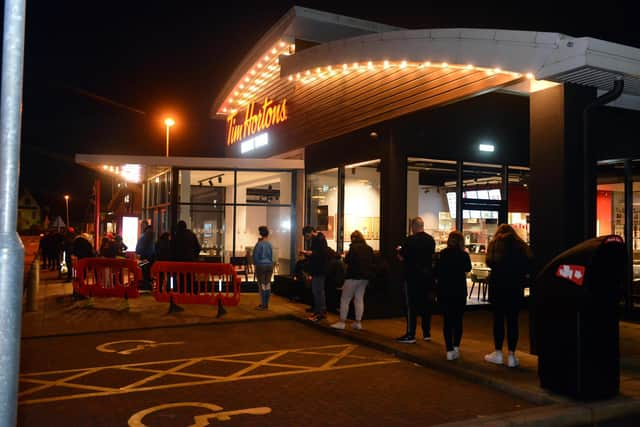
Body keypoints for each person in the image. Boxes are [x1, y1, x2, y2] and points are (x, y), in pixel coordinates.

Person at [483, 224, 532, 368]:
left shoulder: (495, 244)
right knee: (513, 321)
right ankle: (512, 355)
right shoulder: (521, 245)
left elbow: (490, 262)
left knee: (498, 320)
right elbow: (528, 264)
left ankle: (498, 353)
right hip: (515, 287)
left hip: (498, 286)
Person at [395, 217, 436, 344]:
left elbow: (402, 257)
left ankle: (411, 334)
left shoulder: (410, 240)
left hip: (412, 277)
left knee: (411, 306)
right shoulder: (431, 240)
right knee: (426, 305)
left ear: (413, 226)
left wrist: (398, 251)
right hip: (427, 277)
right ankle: (426, 333)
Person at [435, 230, 471, 360]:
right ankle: (456, 346)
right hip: (459, 291)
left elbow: (436, 271)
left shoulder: (442, 254)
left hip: (445, 290)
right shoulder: (463, 255)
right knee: (458, 320)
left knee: (447, 321)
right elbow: (468, 269)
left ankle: (449, 349)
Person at [331, 230, 374, 331]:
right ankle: (358, 322)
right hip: (365, 278)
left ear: (353, 238)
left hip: (352, 276)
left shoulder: (353, 247)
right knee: (359, 299)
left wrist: (345, 256)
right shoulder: (369, 248)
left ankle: (342, 322)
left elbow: (347, 260)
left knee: (345, 299)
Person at [300, 225, 329, 322]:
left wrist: (309, 253)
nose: (307, 238)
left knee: (318, 292)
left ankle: (319, 313)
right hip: (319, 269)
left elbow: (321, 254)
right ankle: (320, 312)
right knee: (318, 291)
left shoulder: (319, 240)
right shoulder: (319, 239)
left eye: (307, 236)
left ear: (310, 232)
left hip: (319, 270)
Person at [253, 226, 274, 310]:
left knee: (262, 285)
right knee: (267, 284)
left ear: (260, 233)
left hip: (261, 265)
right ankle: (266, 303)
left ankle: (263, 304)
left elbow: (255, 256)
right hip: (269, 265)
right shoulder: (269, 244)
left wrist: (255, 265)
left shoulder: (259, 244)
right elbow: (272, 256)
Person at [135, 221, 155, 290]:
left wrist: (139, 251)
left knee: (145, 269)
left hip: (146, 256)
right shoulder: (146, 233)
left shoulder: (147, 233)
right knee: (144, 269)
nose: (142, 226)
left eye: (143, 225)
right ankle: (147, 284)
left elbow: (144, 245)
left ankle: (146, 284)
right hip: (146, 256)